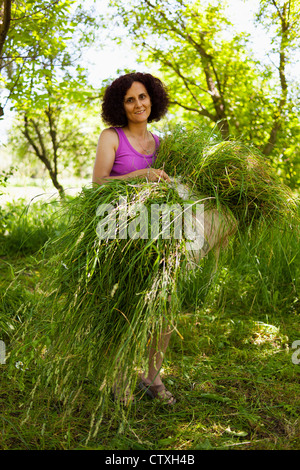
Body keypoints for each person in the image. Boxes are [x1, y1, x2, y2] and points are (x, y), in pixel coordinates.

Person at [92, 72, 175, 405]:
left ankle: (153, 377)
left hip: (156, 233)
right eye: (129, 99)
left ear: (152, 99)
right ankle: (121, 376)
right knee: (123, 307)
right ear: (120, 106)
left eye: (142, 96)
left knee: (164, 308)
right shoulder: (111, 137)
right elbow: (99, 184)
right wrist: (141, 174)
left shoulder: (161, 143)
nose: (138, 104)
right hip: (117, 231)